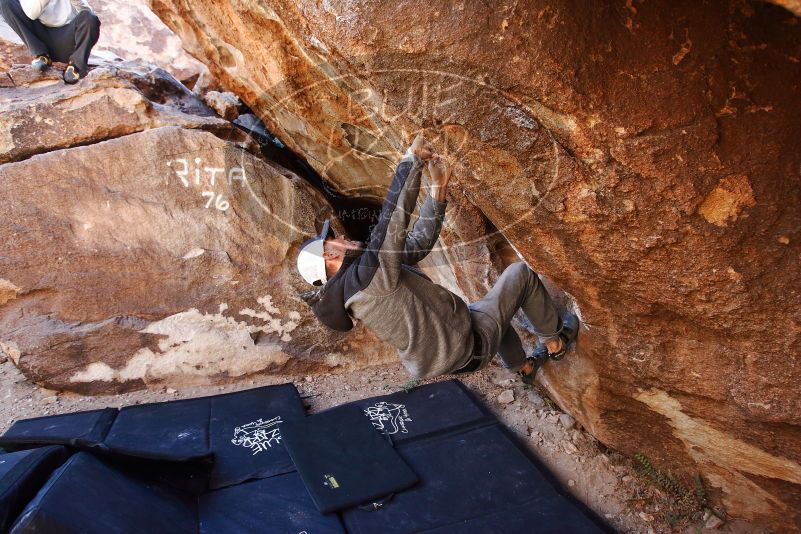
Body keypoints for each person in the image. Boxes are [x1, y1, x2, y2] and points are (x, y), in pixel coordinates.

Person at [296, 134, 578, 383]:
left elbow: (417, 244)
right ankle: (555, 342)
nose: (342, 237)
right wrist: (411, 162)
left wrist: (438, 189)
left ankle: (522, 368)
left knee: (488, 310)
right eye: (335, 239)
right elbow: (391, 222)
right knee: (520, 275)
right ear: (330, 255)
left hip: (451, 350)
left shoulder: (360, 283)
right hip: (470, 345)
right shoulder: (368, 279)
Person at [0, 0, 99, 84]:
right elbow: (31, 14)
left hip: (69, 39)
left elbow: (88, 14)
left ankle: (75, 66)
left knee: (90, 18)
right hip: (42, 37)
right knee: (6, 2)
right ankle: (42, 56)